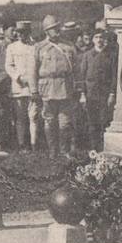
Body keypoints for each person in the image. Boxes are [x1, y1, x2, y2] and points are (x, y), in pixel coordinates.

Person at [33, 14, 77, 158]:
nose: (57, 31)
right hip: (47, 88)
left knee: (65, 122)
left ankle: (64, 151)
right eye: (53, 28)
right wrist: (34, 91)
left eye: (58, 27)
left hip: (65, 87)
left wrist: (77, 88)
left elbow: (76, 69)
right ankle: (52, 151)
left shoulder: (68, 46)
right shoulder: (39, 47)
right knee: (49, 121)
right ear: (46, 31)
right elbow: (32, 71)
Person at [77, 28, 116, 152]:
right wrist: (82, 94)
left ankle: (105, 149)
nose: (99, 40)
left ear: (105, 40)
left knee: (104, 121)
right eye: (96, 37)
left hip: (104, 95)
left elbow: (114, 76)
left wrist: (112, 93)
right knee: (92, 123)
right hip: (90, 94)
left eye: (101, 37)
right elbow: (82, 77)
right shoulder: (87, 55)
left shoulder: (110, 55)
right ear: (93, 40)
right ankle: (94, 150)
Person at [5, 20, 39, 151]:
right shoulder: (12, 47)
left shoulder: (35, 46)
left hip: (32, 87)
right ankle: (21, 144)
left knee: (33, 116)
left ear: (28, 33)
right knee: (20, 117)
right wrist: (18, 77)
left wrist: (32, 81)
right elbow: (9, 65)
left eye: (23, 33)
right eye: (18, 32)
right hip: (18, 86)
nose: (20, 35)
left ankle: (34, 144)